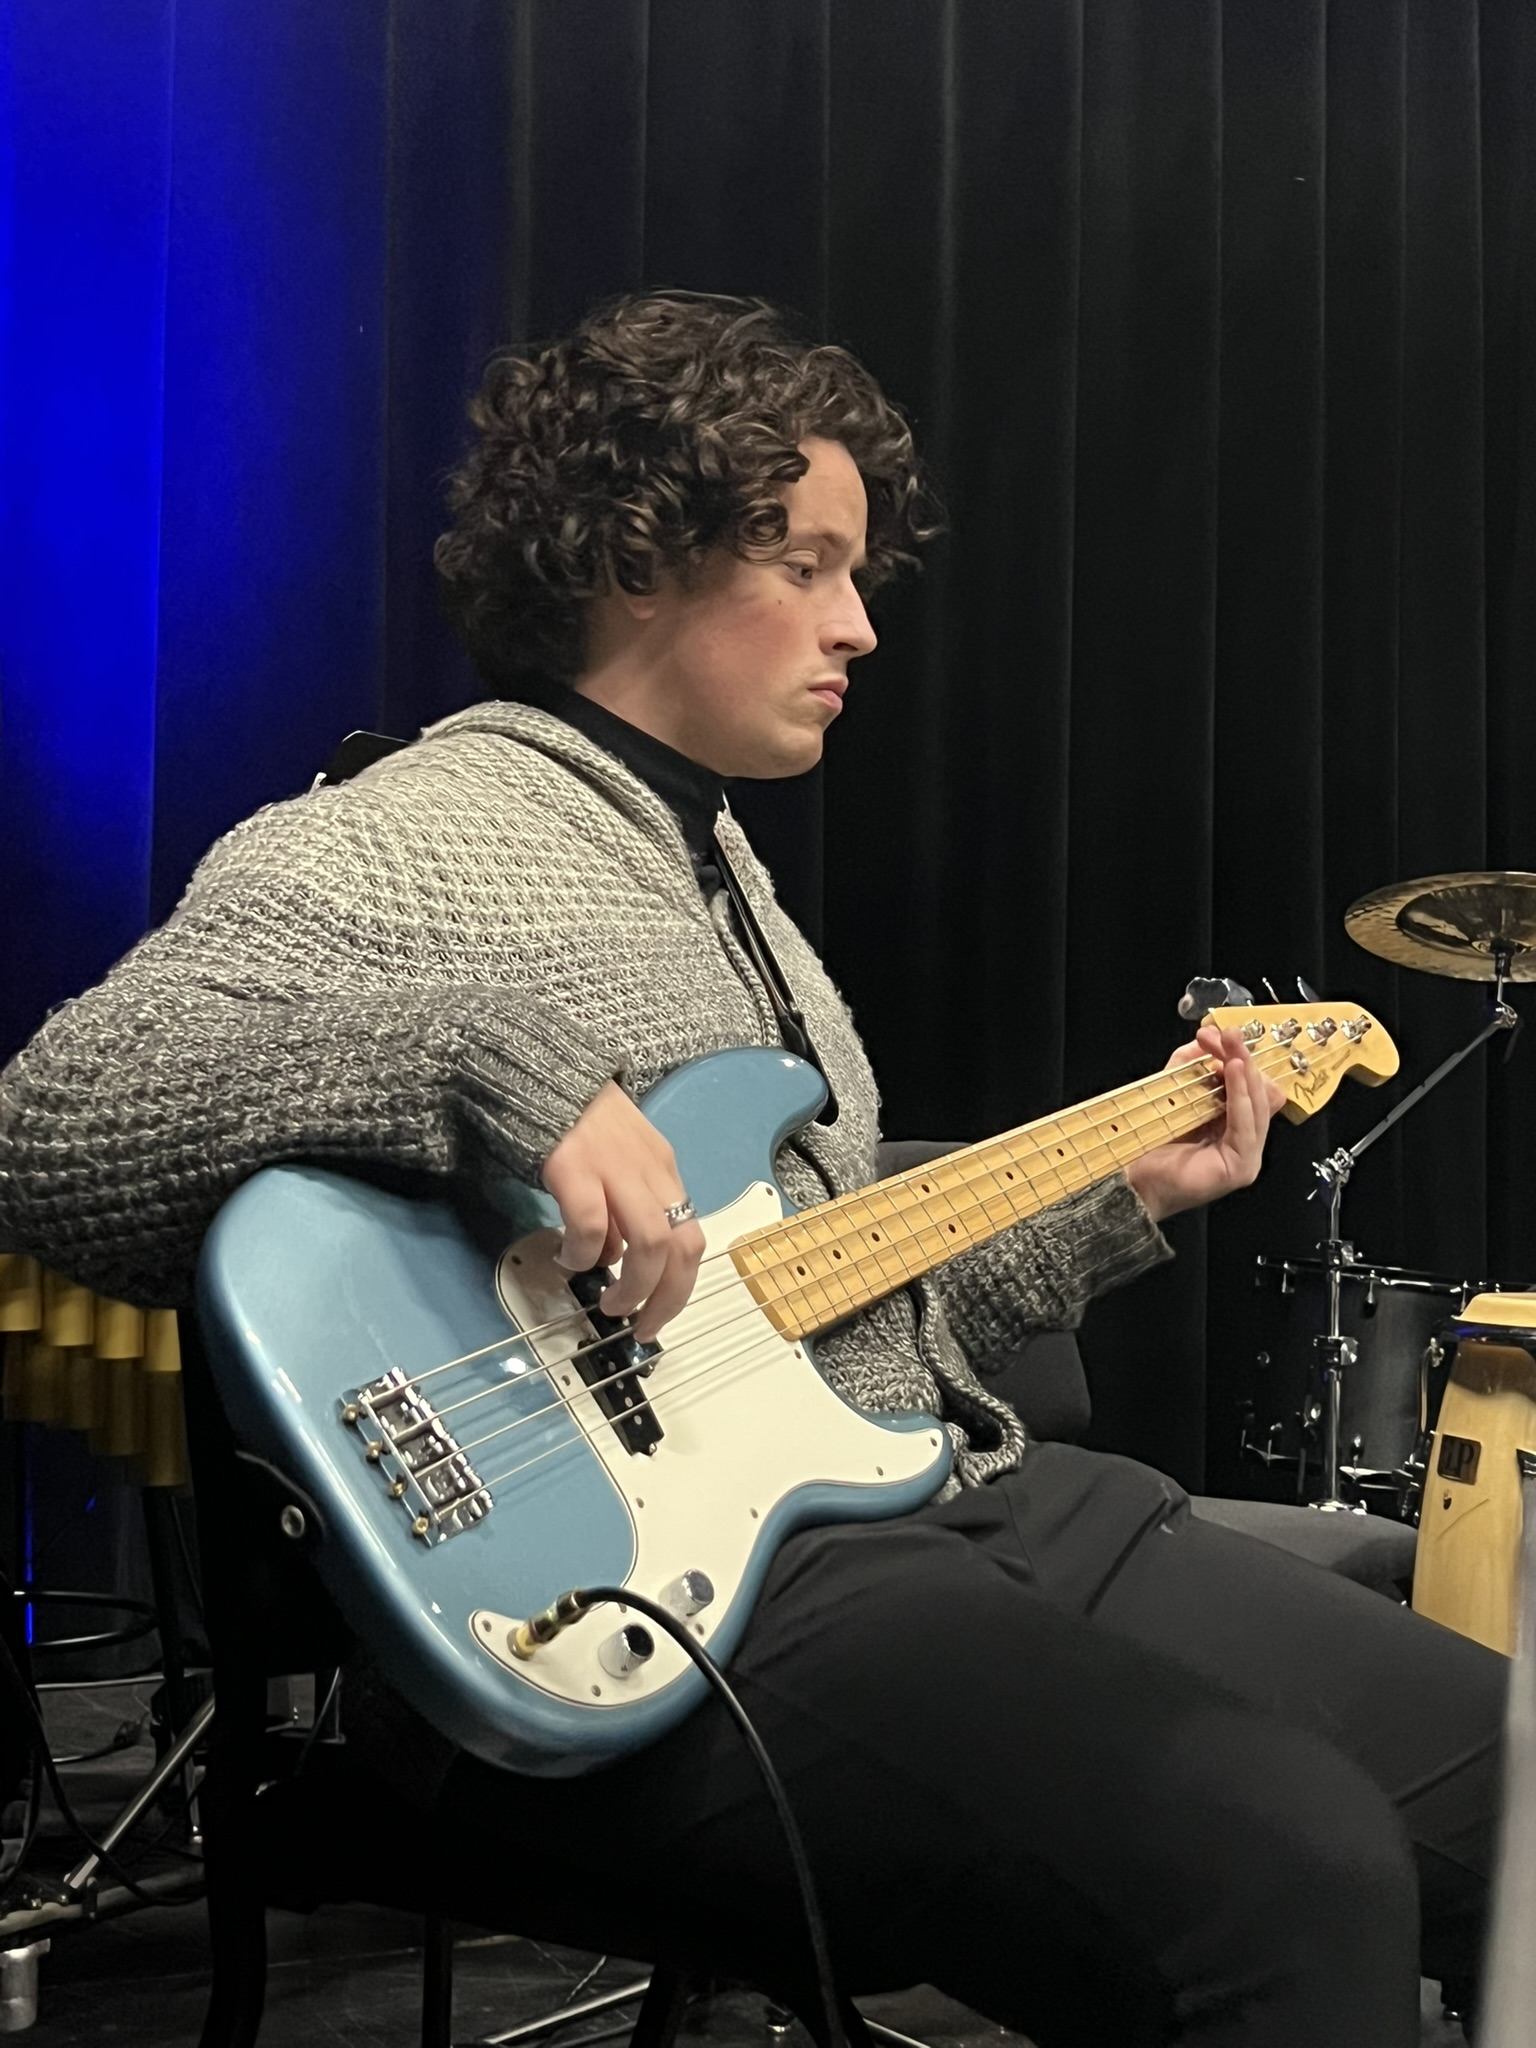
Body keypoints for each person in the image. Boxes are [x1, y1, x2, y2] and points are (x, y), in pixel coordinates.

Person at [0, 292, 1503, 2045]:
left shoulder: (722, 865)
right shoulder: (416, 832)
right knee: (1284, 1871)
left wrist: (1126, 1199)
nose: (860, 625)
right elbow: (55, 1123)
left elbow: (810, 1322)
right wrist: (488, 1068)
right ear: (633, 554)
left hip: (938, 1503)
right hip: (672, 1605)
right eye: (807, 563)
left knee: (1520, 1799)